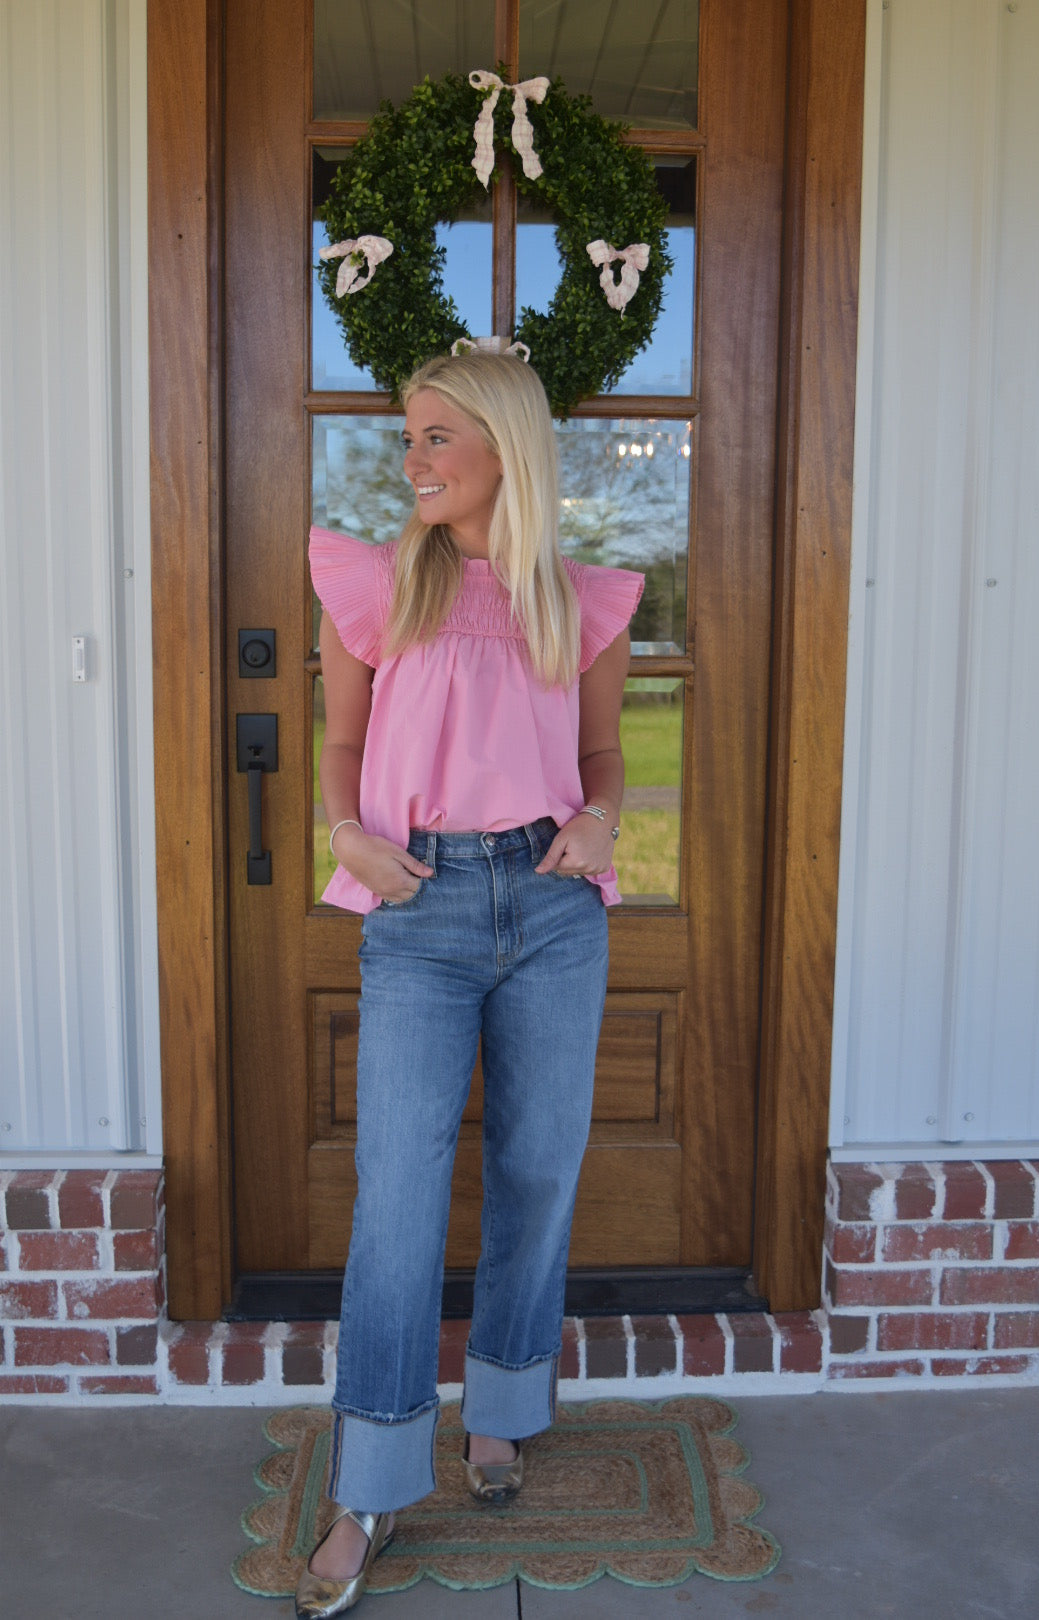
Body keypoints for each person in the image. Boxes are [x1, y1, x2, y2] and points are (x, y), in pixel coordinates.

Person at [296, 348, 643, 1618]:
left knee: (538, 1166)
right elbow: (341, 743)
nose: (414, 458)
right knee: (396, 1194)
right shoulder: (381, 587)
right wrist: (346, 835)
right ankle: (372, 1482)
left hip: (553, 906)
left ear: (507, 446)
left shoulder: (575, 600)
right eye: (408, 438)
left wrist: (606, 817)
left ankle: (502, 1404)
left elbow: (603, 754)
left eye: (438, 435)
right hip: (421, 907)